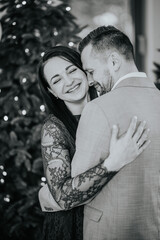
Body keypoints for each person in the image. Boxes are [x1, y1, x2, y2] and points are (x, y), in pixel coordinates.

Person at [38, 46, 150, 240]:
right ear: (52, 91)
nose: (69, 81)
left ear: (85, 70)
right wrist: (112, 164)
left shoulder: (113, 106)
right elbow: (63, 197)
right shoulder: (53, 128)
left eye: (71, 70)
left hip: (115, 221)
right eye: (56, 80)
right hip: (71, 227)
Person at [67, 25, 160, 240]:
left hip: (111, 231)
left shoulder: (99, 108)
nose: (90, 81)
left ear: (114, 61)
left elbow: (77, 191)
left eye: (91, 71)